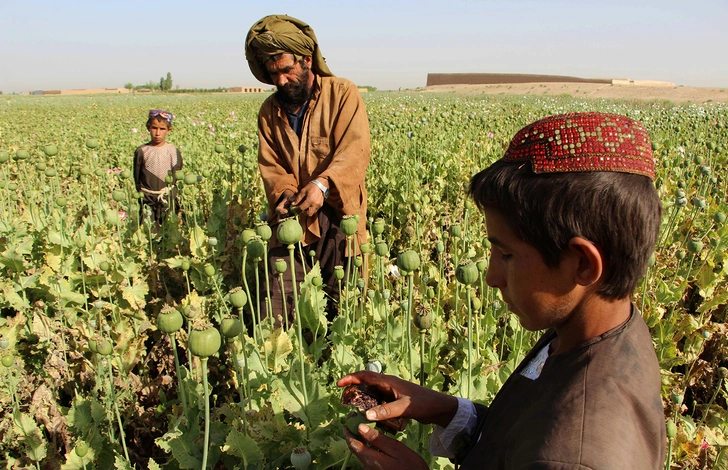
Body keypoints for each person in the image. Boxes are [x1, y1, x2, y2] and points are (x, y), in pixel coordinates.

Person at [338, 112, 666, 469]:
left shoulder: (576, 457)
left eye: (506, 254)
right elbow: (518, 440)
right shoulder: (588, 330)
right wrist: (448, 410)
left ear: (583, 264)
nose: (492, 276)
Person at [245, 15, 370, 324]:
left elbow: (354, 152)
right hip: (292, 225)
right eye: (273, 74)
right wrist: (286, 193)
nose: (280, 81)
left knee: (343, 312)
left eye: (286, 70)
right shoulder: (269, 112)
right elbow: (272, 166)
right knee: (276, 312)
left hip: (341, 221)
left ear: (307, 60)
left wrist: (323, 184)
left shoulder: (342, 94)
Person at [133, 109, 183, 225]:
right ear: (148, 128)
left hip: (168, 199)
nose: (157, 133)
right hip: (147, 199)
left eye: (162, 129)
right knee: (149, 231)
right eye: (154, 128)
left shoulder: (173, 151)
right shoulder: (142, 151)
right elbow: (137, 177)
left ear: (169, 130)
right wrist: (144, 195)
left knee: (169, 229)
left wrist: (170, 195)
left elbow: (176, 175)